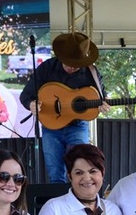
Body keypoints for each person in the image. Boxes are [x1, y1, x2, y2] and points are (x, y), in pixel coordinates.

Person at [20, 32, 110, 183]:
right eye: (69, 62)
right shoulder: (47, 68)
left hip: (77, 126)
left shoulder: (91, 73)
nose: (73, 67)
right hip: (51, 127)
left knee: (81, 169)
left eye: (77, 63)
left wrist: (104, 104)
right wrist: (31, 104)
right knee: (55, 174)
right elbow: (25, 95)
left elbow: (102, 97)